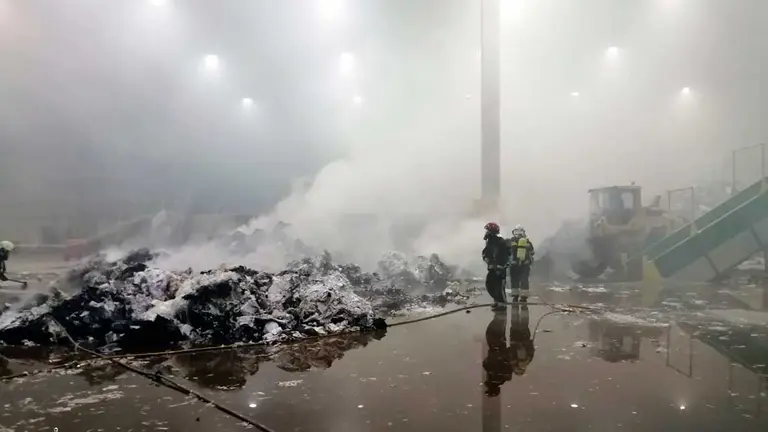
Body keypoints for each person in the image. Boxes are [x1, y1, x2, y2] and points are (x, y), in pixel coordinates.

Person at [482, 222, 511, 310]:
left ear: (492, 232)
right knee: (490, 285)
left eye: (487, 231)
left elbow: (504, 255)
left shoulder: (499, 242)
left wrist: (500, 266)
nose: (486, 233)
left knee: (499, 287)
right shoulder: (490, 241)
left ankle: (502, 304)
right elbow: (487, 253)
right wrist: (487, 259)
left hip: (499, 269)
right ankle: (497, 301)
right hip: (492, 268)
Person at [508, 225, 534, 302]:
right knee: (524, 279)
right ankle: (524, 296)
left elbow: (509, 252)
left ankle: (515, 295)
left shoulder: (512, 241)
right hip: (525, 264)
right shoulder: (527, 242)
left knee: (514, 279)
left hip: (514, 264)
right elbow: (532, 252)